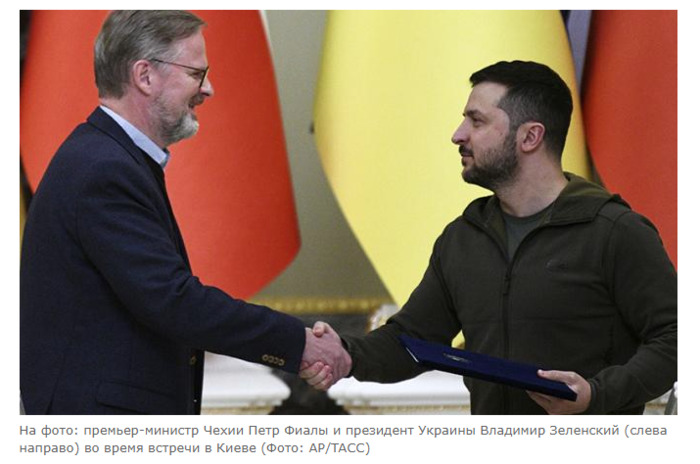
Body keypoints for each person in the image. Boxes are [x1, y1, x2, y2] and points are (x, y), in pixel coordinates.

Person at [20, 10, 350, 415]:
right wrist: (299, 344)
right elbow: (174, 302)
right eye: (196, 73)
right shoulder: (104, 169)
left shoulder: (109, 157)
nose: (208, 89)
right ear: (145, 76)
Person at [302, 60, 677, 415]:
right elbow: (413, 340)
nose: (458, 135)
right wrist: (346, 354)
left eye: (476, 121)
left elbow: (677, 338)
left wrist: (597, 394)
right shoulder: (462, 238)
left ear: (530, 136)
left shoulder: (615, 232)